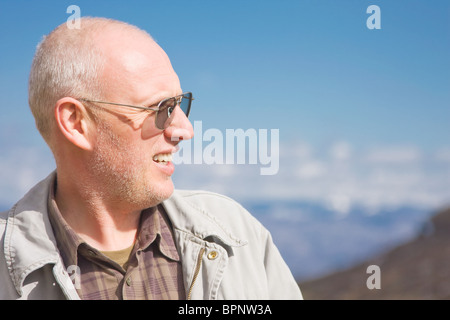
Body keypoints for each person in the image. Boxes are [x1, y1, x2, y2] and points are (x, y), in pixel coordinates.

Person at [0, 17, 302, 300]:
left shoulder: (236, 235)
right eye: (161, 108)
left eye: (181, 104)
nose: (184, 129)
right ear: (76, 122)